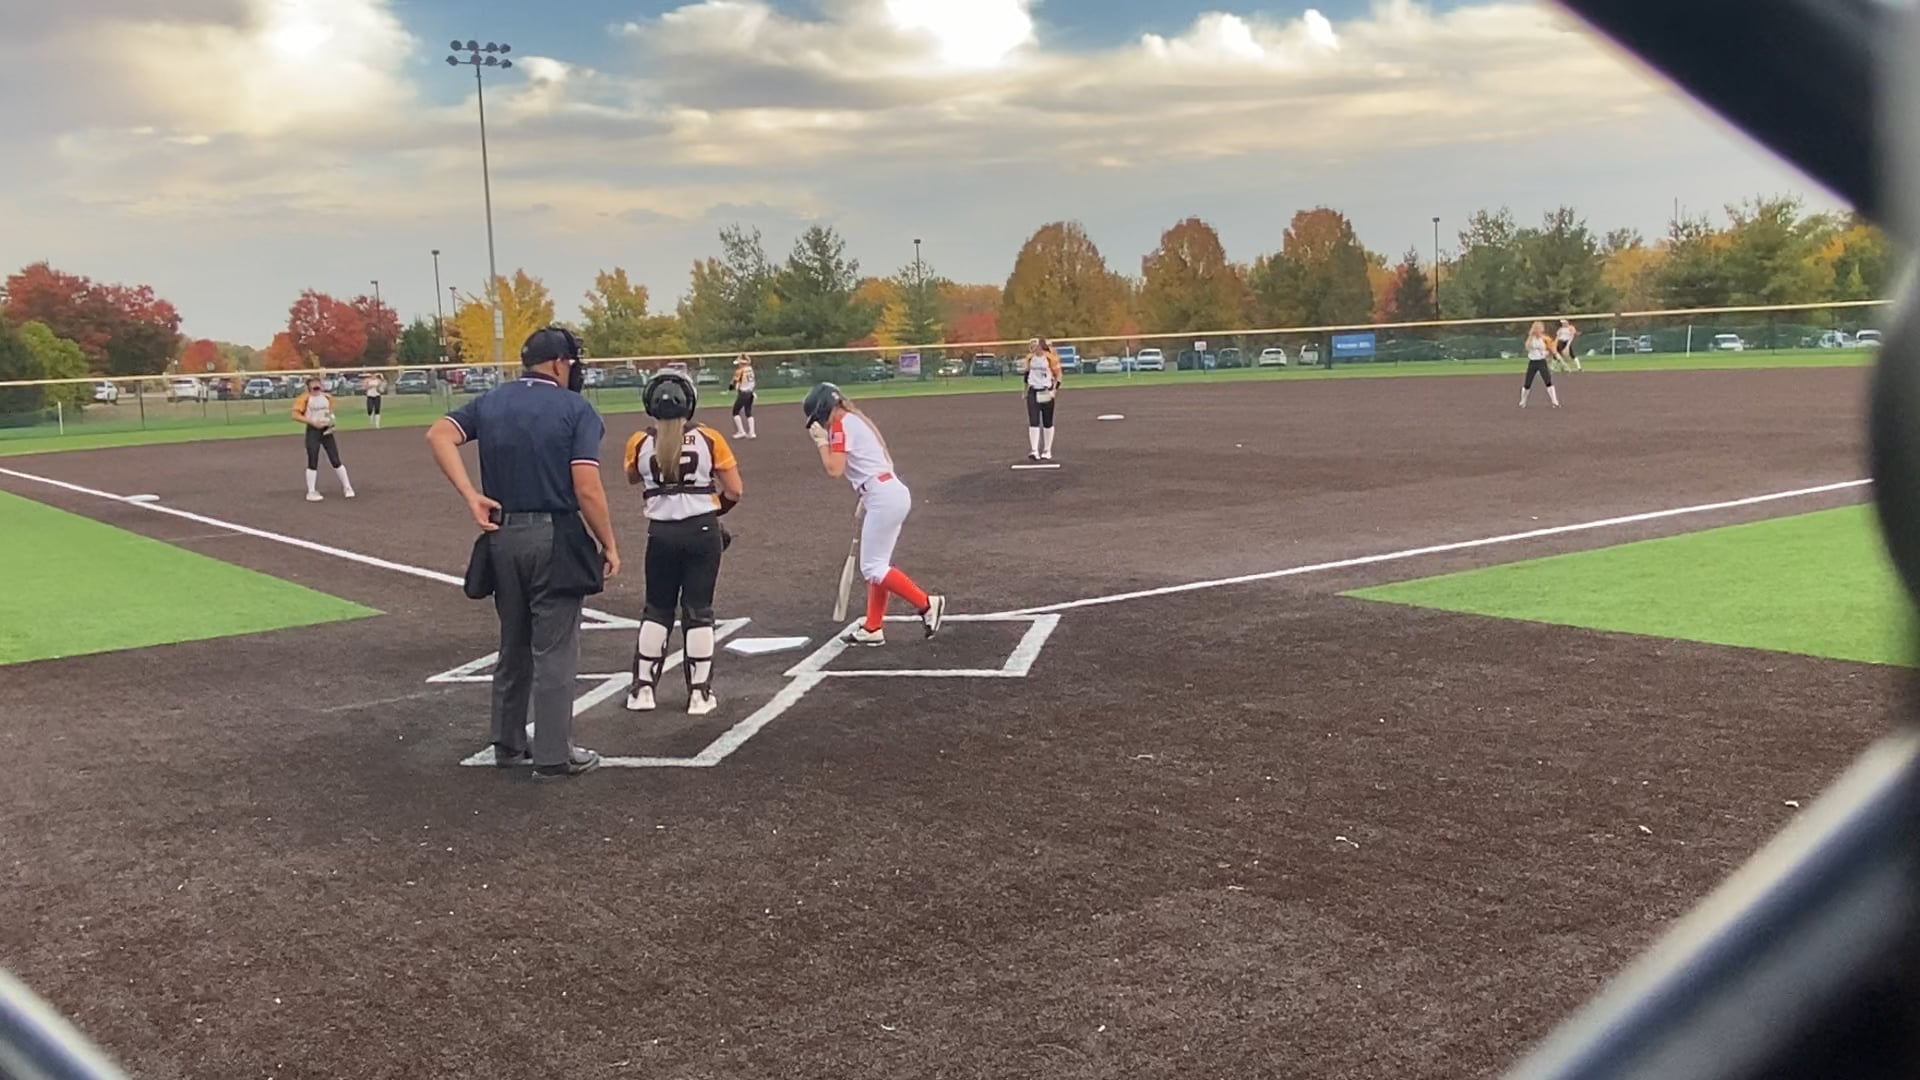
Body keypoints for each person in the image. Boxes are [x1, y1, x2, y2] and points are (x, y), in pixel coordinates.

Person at [425, 327, 621, 779]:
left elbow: (438, 435)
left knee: (513, 644)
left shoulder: (491, 401)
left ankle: (509, 744)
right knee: (555, 650)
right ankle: (554, 755)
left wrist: (471, 495)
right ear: (559, 363)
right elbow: (586, 487)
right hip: (553, 536)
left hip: (502, 537)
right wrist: (608, 543)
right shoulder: (576, 409)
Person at [622, 371, 745, 717]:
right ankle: (699, 695)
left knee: (657, 610)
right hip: (702, 531)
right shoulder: (709, 438)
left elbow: (632, 477)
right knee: (699, 610)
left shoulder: (639, 442)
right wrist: (713, 510)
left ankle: (643, 690)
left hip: (661, 533)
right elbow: (735, 490)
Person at [804, 383, 946, 646]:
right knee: (878, 565)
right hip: (887, 491)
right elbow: (882, 460)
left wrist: (821, 443)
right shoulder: (856, 420)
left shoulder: (841, 426)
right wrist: (866, 494)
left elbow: (834, 469)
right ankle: (873, 627)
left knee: (873, 567)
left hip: (883, 496)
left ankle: (926, 604)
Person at [292, 376, 355, 502]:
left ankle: (347, 487)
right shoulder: (304, 398)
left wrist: (332, 422)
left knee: (335, 459)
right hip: (313, 431)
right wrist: (312, 422)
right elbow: (295, 415)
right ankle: (311, 491)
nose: (316, 386)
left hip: (326, 431)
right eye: (313, 384)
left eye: (318, 383)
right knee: (313, 459)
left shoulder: (327, 397)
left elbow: (329, 412)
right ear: (308, 387)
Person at [1022, 336, 1063, 461]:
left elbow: (1058, 375)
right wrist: (1025, 390)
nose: (1033, 347)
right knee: (1033, 420)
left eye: (1035, 345)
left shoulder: (1050, 358)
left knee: (1047, 421)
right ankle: (1034, 450)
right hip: (1033, 390)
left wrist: (1054, 391)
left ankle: (1047, 450)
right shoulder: (1030, 358)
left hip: (1045, 390)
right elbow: (1027, 375)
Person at [1522, 322, 1563, 410]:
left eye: (1540, 329)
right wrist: (1531, 337)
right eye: (1538, 329)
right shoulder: (1531, 339)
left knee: (1548, 381)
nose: (1540, 331)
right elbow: (1527, 347)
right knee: (1527, 383)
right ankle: (1523, 401)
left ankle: (1555, 401)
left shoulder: (1545, 338)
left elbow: (1551, 348)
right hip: (1533, 362)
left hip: (1541, 362)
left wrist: (1555, 355)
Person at [729, 354, 758, 440]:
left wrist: (730, 387)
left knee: (735, 412)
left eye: (739, 363)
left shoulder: (740, 371)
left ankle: (741, 432)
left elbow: (734, 382)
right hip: (751, 393)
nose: (738, 365)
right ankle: (752, 432)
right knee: (748, 412)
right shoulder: (750, 369)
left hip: (743, 393)